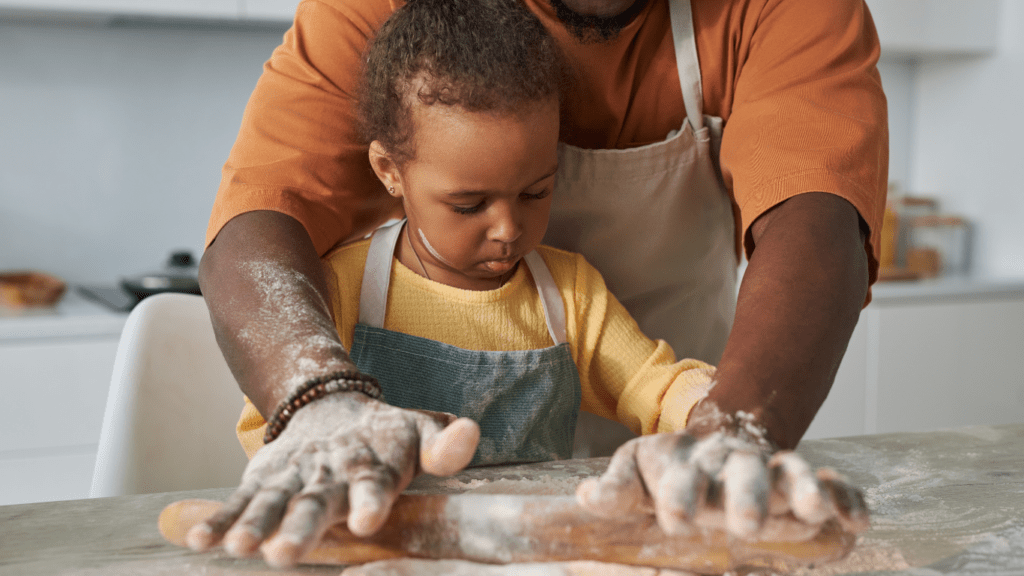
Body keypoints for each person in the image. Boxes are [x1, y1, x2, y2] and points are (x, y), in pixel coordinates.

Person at [193, 0, 884, 568]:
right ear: (391, 170)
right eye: (469, 203)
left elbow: (817, 215)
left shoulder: (783, 10)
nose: (506, 230)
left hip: (671, 490)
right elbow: (261, 213)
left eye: (537, 191)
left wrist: (731, 430)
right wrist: (319, 407)